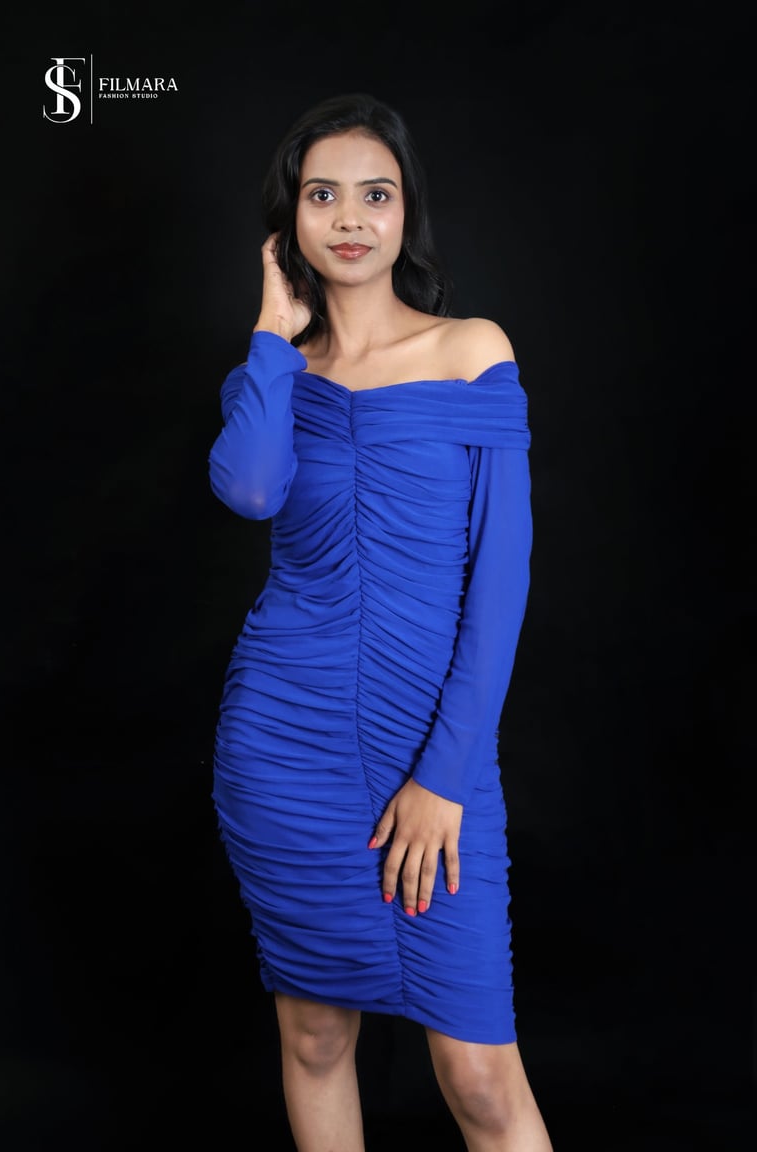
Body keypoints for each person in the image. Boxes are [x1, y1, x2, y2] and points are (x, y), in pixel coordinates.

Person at [208, 91, 553, 1152]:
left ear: (408, 213)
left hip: (435, 746)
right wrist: (272, 333)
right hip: (284, 742)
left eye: (376, 194)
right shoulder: (274, 376)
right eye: (323, 196)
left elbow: (501, 582)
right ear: (290, 221)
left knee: (481, 1080)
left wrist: (445, 777)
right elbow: (250, 492)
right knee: (314, 1035)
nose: (351, 218)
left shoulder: (471, 349)